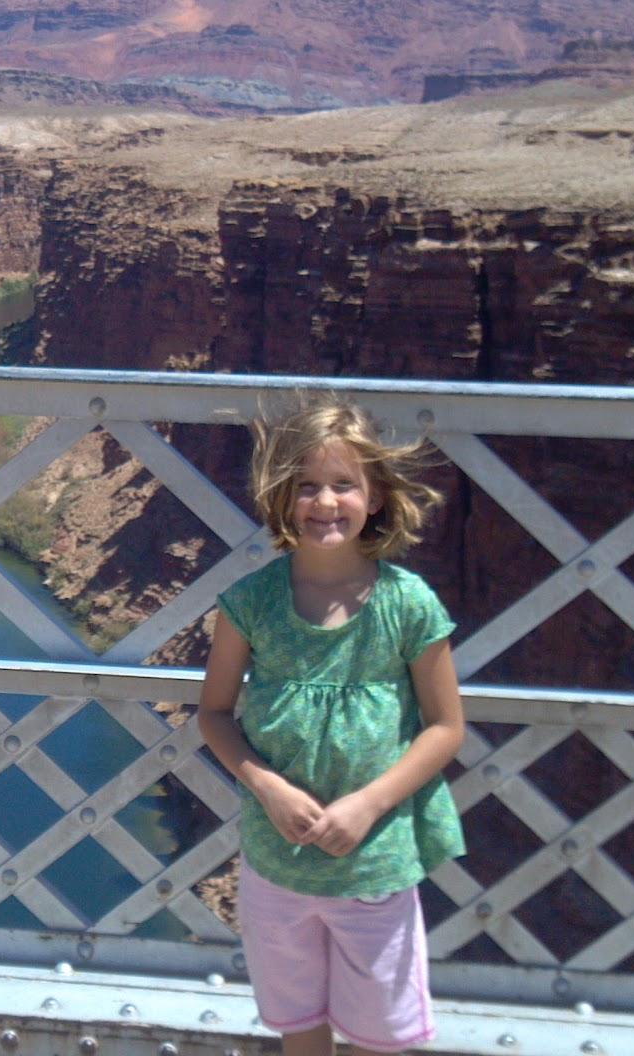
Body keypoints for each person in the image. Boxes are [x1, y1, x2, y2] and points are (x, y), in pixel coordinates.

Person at [197, 394, 465, 1056]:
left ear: (374, 496)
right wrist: (269, 788)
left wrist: (369, 804)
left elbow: (446, 727)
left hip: (373, 870)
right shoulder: (251, 603)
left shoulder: (407, 605)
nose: (325, 502)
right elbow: (214, 715)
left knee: (380, 1038)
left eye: (344, 484)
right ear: (284, 499)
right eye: (307, 486)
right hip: (274, 869)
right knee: (300, 1029)